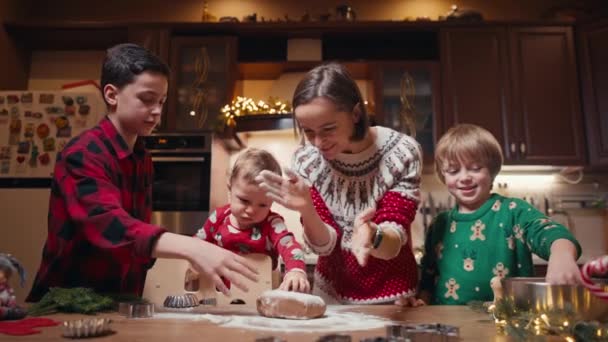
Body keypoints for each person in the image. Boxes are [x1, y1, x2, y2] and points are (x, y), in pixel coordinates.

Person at [26, 43, 257, 302]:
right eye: (147, 100)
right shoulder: (82, 154)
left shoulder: (141, 157)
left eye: (161, 101)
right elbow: (113, 228)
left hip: (118, 299)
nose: (157, 111)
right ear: (112, 95)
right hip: (66, 302)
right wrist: (192, 247)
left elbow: (138, 233)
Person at [257, 63, 422, 304]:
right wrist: (306, 209)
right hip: (332, 295)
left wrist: (372, 235)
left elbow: (393, 241)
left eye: (328, 129)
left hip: (394, 297)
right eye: (308, 131)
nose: (318, 142)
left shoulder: (402, 153)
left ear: (356, 114)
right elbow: (324, 246)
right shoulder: (307, 162)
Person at [417, 124, 581, 305]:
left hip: (507, 324)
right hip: (448, 326)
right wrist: (421, 301)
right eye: (454, 171)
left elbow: (549, 231)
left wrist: (562, 255)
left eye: (475, 168)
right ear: (443, 176)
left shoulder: (513, 211)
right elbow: (428, 279)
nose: (464, 177)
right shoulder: (439, 224)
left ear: (492, 170)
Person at [192, 148, 310, 293]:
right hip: (218, 297)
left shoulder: (273, 223)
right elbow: (197, 244)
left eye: (262, 205)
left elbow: (289, 245)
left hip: (260, 298)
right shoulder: (218, 217)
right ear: (230, 189)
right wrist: (192, 262)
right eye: (244, 200)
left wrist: (296, 270)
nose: (251, 211)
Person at [0, 254, 26, 320]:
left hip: (5, 307)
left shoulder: (7, 288)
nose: (4, 279)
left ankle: (8, 312)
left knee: (20, 310)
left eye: (6, 277)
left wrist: (12, 304)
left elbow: (10, 298)